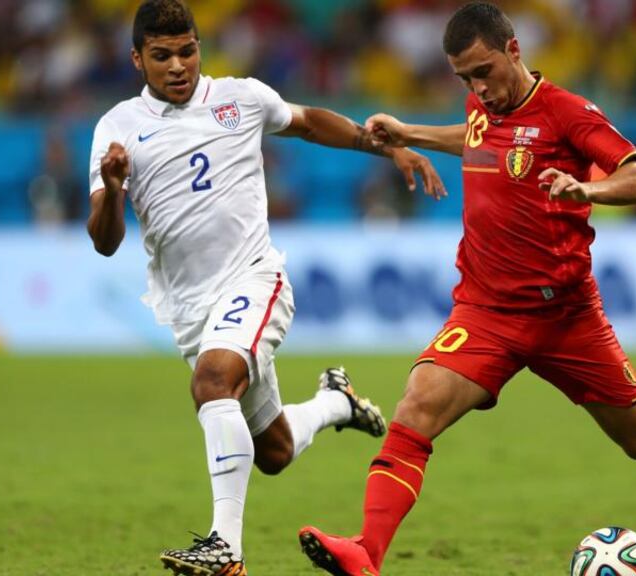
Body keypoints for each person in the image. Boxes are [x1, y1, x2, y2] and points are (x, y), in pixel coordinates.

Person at [298, 4, 636, 575]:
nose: (477, 87)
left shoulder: (568, 113)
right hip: (486, 311)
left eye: (484, 71)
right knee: (417, 405)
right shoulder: (482, 104)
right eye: (464, 78)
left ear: (514, 51)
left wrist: (585, 192)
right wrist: (410, 130)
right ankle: (366, 553)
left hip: (567, 318)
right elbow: (474, 136)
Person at [86, 2, 446, 575]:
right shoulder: (118, 129)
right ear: (137, 59)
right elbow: (104, 240)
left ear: (199, 46)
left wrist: (386, 147)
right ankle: (336, 402)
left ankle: (225, 548)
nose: (178, 65)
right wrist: (111, 187)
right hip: (191, 309)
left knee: (212, 382)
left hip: (255, 280)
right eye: (161, 56)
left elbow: (306, 122)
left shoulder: (240, 98)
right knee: (273, 451)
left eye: (188, 50)